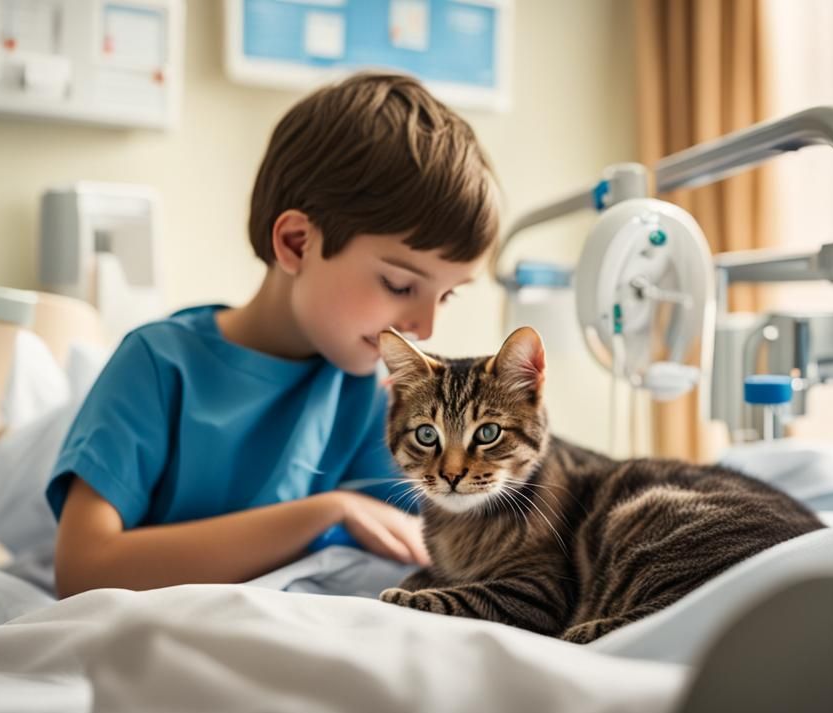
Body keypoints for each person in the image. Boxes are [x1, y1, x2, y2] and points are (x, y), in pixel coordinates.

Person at [48, 72, 501, 598]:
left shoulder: (380, 401)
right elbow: (82, 571)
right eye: (400, 284)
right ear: (295, 242)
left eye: (446, 296)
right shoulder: (159, 365)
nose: (424, 329)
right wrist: (325, 512)